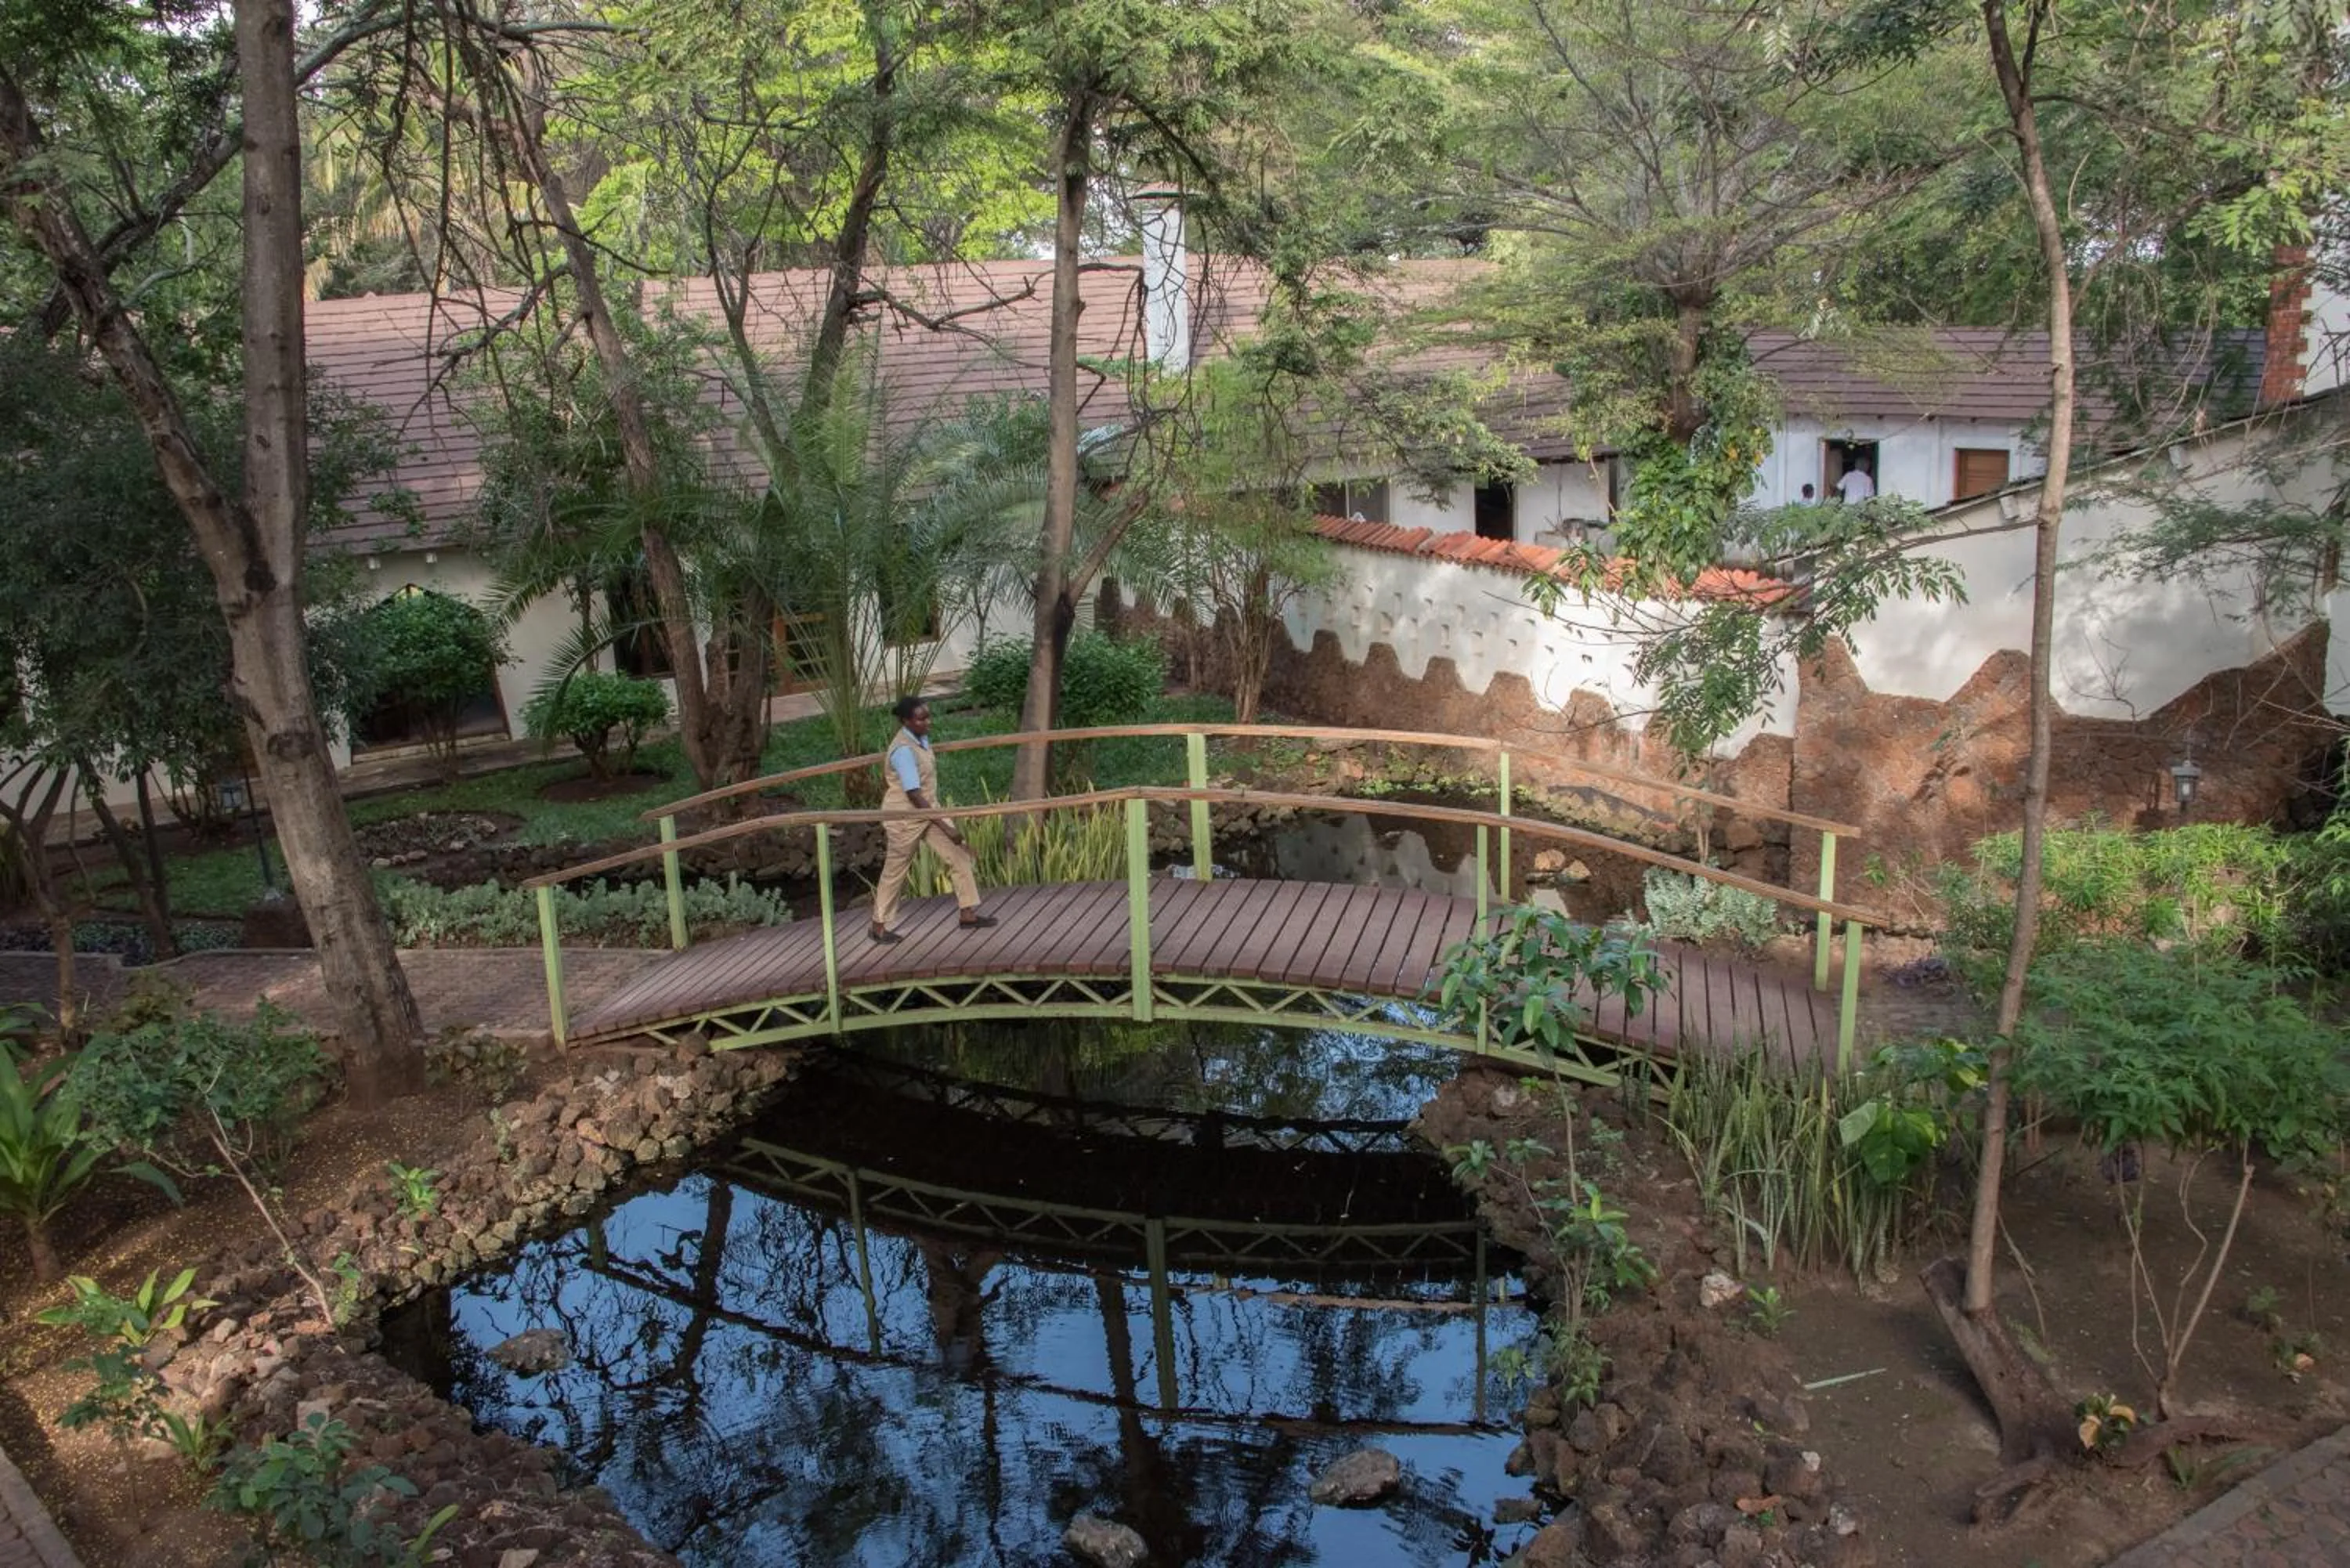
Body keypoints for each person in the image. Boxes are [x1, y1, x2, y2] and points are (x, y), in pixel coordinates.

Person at [870, 695, 993, 944]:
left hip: (928, 810)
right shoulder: (903, 750)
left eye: (928, 716)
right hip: (905, 816)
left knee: (958, 853)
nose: (928, 722)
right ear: (906, 721)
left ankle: (967, 913)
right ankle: (878, 926)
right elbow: (914, 795)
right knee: (896, 870)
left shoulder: (920, 739)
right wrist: (946, 828)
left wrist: (944, 826)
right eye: (921, 718)